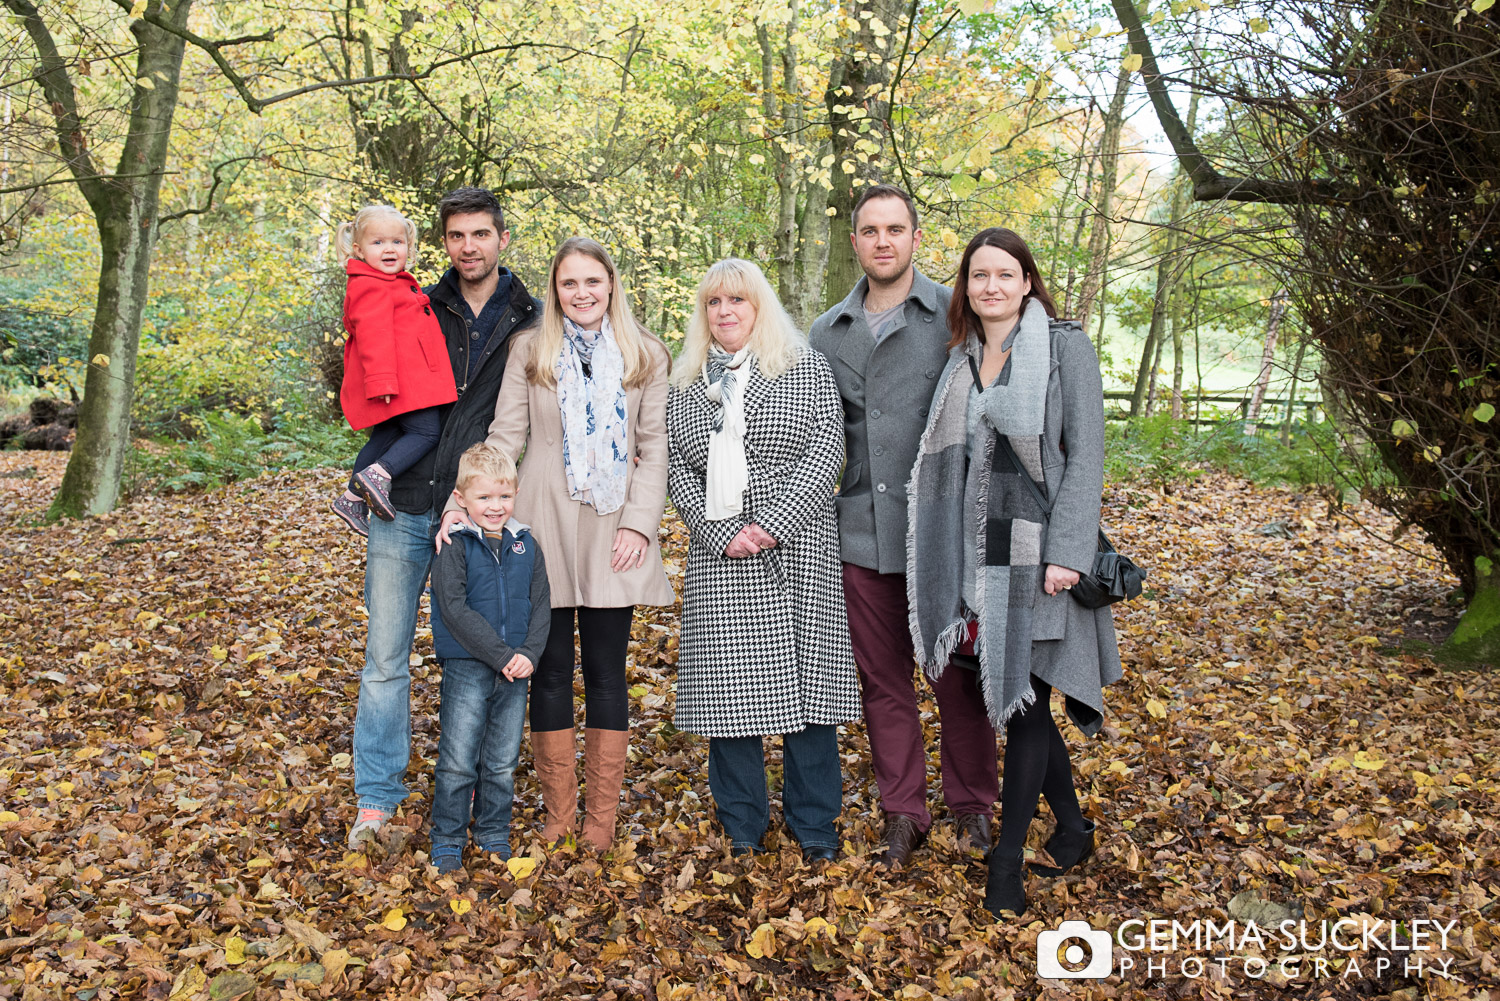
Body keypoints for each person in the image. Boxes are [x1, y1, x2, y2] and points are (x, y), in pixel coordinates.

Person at [906, 227, 1122, 918]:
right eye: (978, 276)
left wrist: (1068, 551)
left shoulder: (1064, 346)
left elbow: (1086, 455)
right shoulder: (961, 358)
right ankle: (1075, 827)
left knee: (1026, 700)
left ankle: (1007, 860)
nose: (991, 286)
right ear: (965, 287)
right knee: (1022, 691)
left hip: (1038, 551)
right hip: (976, 553)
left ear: (1027, 280)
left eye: (1005, 274)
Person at [440, 236, 673, 851]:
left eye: (592, 281)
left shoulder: (645, 354)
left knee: (605, 672)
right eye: (569, 283)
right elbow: (504, 435)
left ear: (612, 284)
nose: (582, 293)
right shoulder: (530, 350)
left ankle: (600, 822)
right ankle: (559, 815)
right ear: (555, 290)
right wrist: (460, 503)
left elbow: (654, 451)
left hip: (613, 526)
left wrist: (639, 525)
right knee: (546, 671)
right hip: (540, 523)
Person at [808, 184, 999, 868]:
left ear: (916, 238)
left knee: (959, 674)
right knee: (882, 681)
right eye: (869, 230)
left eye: (895, 228)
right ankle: (904, 811)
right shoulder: (826, 331)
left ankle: (974, 804)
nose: (882, 240)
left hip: (941, 533)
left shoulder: (956, 314)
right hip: (861, 533)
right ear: (855, 242)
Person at [348, 187, 541, 849]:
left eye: (480, 234)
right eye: (456, 235)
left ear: (501, 239)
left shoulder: (530, 319)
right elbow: (379, 388)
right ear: (445, 243)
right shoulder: (415, 302)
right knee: (385, 659)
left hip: (478, 514)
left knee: (482, 653)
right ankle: (376, 801)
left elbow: (531, 420)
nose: (468, 247)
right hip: (402, 502)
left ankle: (482, 804)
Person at [666, 259, 860, 862]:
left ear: (759, 307)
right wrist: (719, 529)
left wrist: (770, 524)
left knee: (811, 697)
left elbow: (827, 449)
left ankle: (815, 826)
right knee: (730, 699)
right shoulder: (688, 380)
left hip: (798, 549)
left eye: (737, 301)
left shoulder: (803, 368)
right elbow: (677, 465)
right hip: (720, 556)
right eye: (714, 303)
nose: (725, 312)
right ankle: (743, 824)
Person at [428, 443, 551, 873]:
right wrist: (501, 654)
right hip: (468, 665)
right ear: (461, 499)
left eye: (504, 496)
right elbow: (453, 608)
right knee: (459, 758)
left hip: (516, 671)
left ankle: (492, 831)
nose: (495, 507)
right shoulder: (455, 545)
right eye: (484, 498)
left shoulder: (525, 543)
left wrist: (529, 654)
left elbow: (541, 604)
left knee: (501, 760)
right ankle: (446, 836)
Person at [330, 205, 458, 535]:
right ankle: (379, 475)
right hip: (402, 383)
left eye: (397, 242)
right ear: (358, 250)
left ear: (408, 247)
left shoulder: (389, 282)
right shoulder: (371, 285)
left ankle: (350, 497)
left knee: (388, 434)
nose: (389, 249)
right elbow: (375, 336)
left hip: (406, 380)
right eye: (378, 243)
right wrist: (382, 380)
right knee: (425, 432)